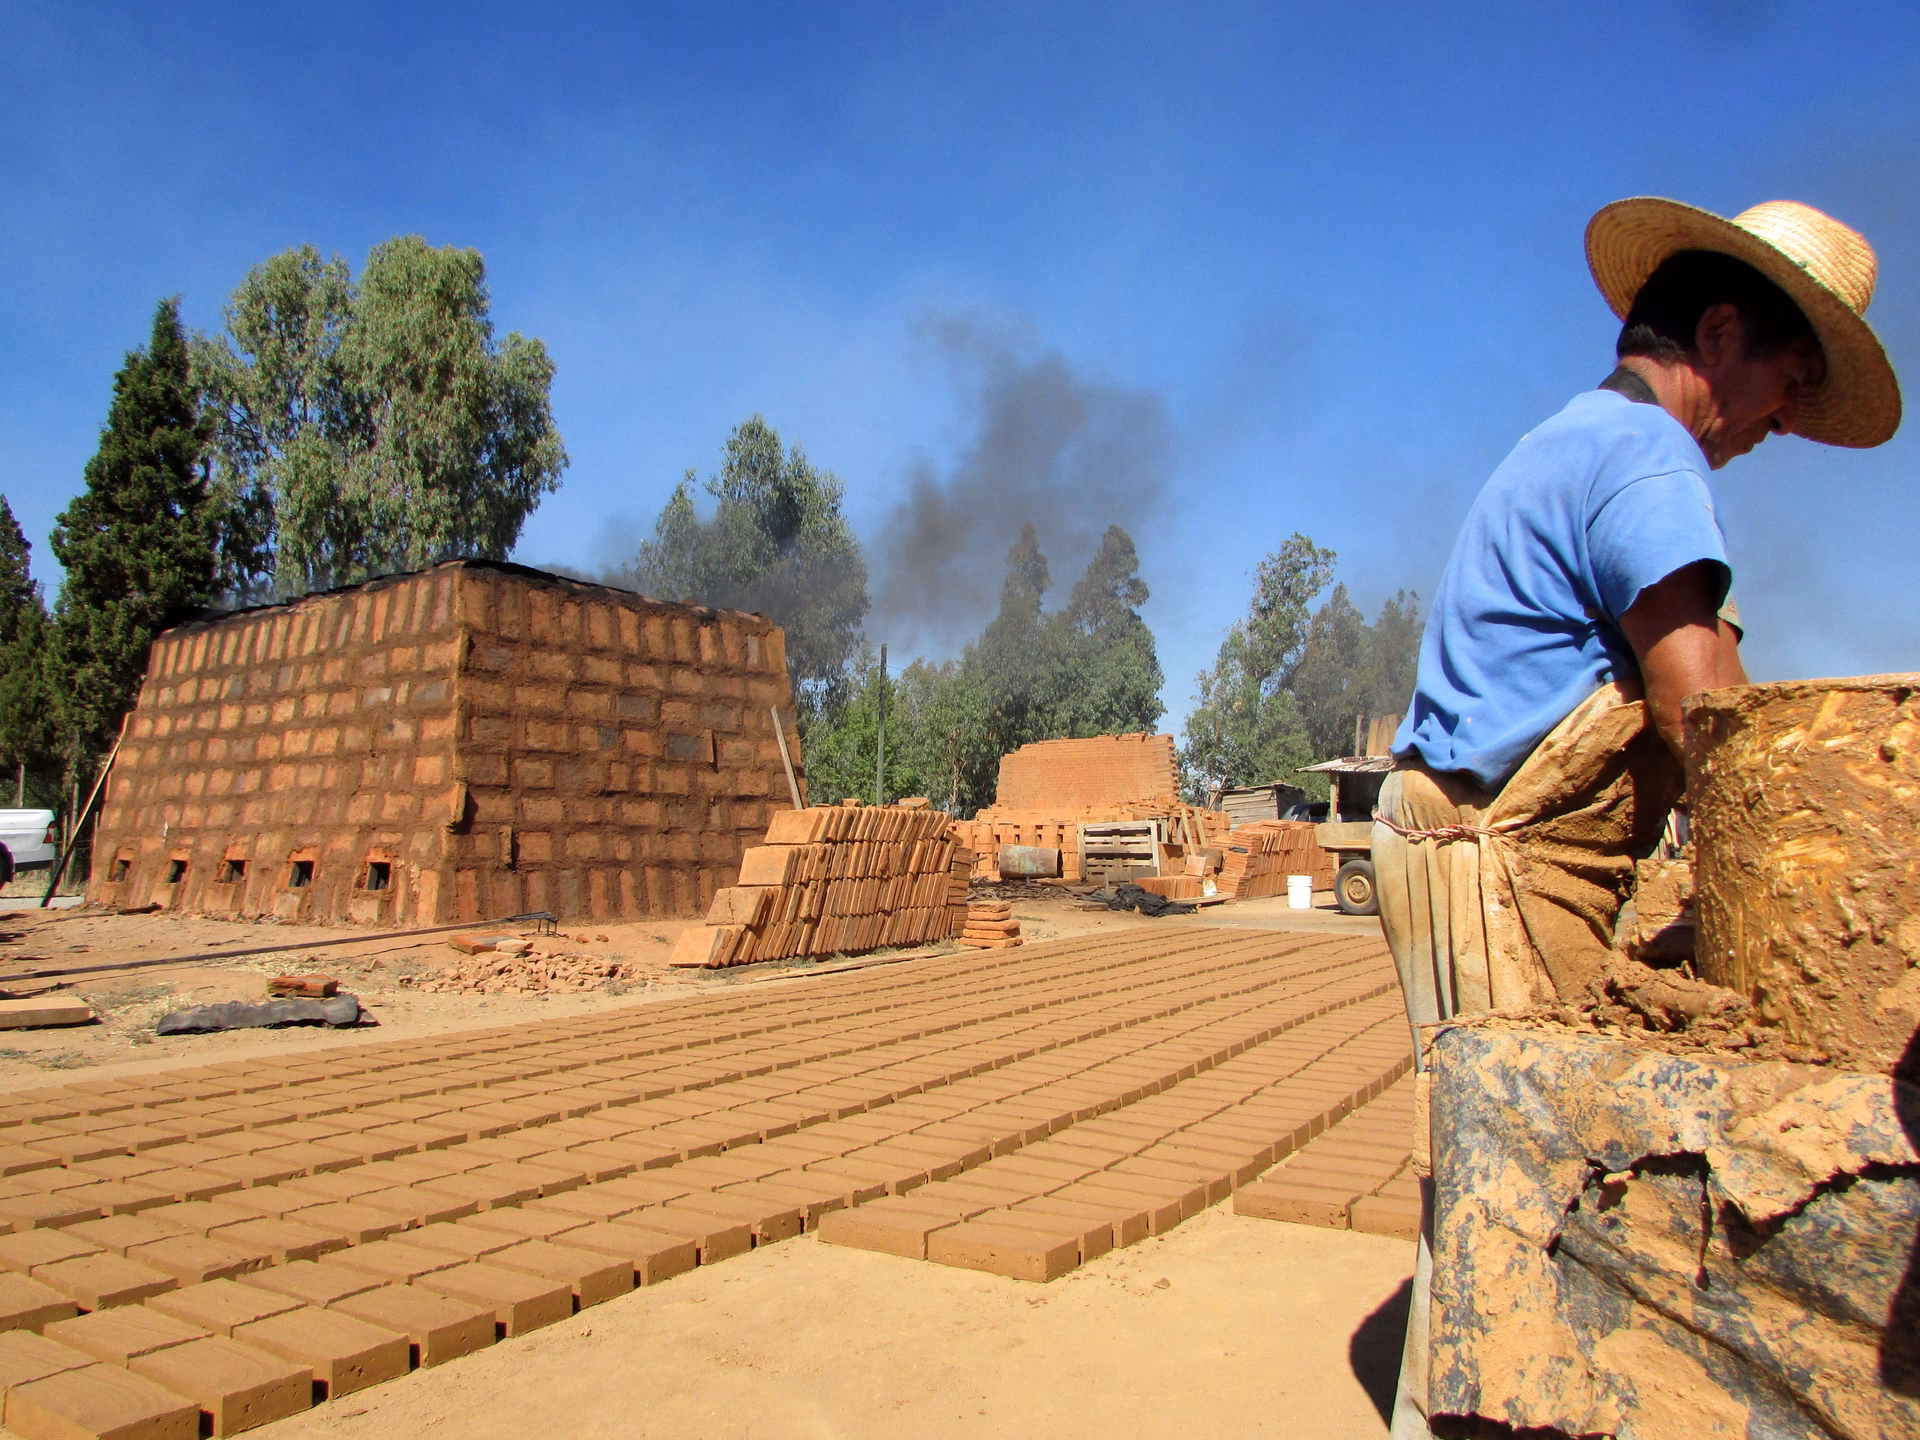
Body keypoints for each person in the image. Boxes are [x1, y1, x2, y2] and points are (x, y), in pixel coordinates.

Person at [1373, 197, 1901, 1440]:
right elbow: (1698, 711)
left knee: (1486, 1177)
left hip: (1472, 840)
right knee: (1515, 1190)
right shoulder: (1648, 455)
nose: (1781, 422)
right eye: (1785, 382)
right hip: (1496, 855)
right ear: (1719, 335)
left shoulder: (1579, 436)